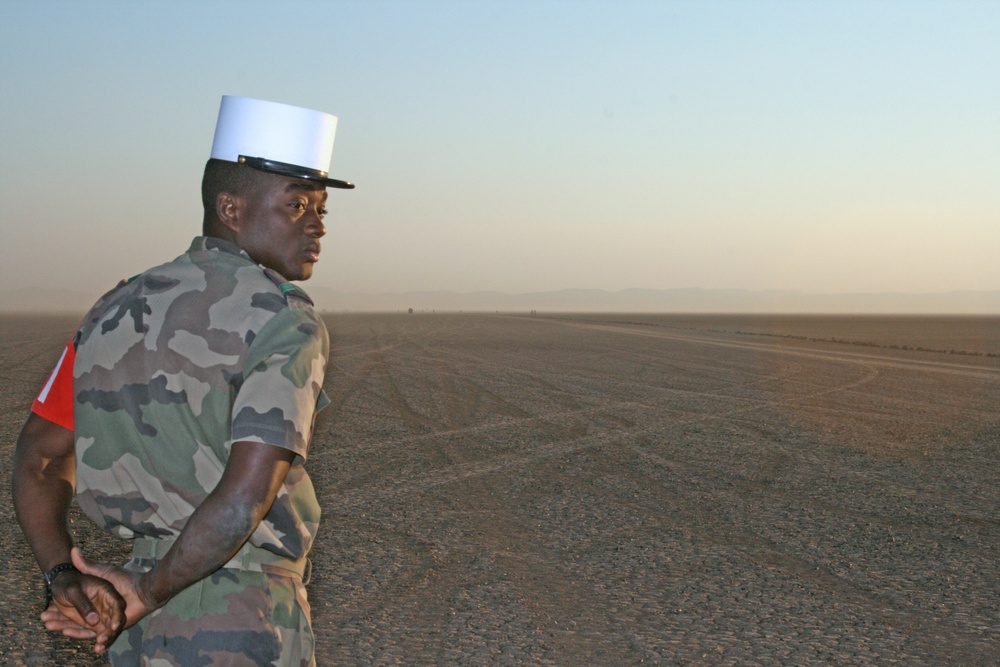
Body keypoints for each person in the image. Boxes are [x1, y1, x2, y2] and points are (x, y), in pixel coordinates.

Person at [12, 95, 354, 666]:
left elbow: (38, 460)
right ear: (231, 207)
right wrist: (146, 592)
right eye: (296, 206)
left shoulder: (109, 310)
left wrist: (63, 574)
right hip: (239, 618)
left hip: (132, 629)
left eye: (322, 209)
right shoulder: (283, 317)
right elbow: (244, 500)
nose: (317, 225)